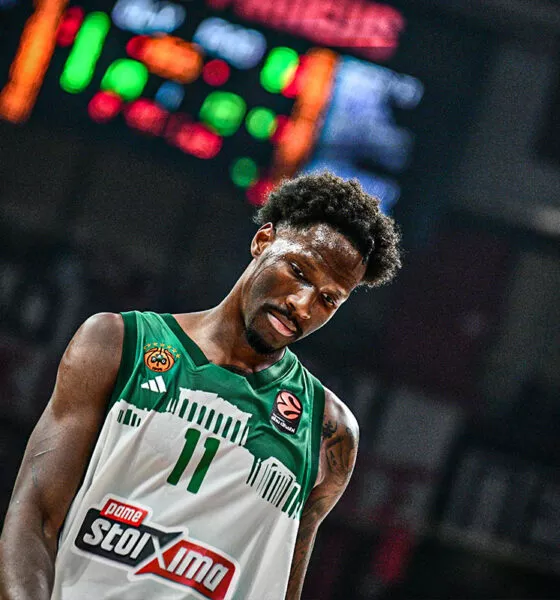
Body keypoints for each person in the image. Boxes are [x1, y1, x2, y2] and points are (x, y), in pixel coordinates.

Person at [0, 171, 402, 600]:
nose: (302, 306)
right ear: (263, 241)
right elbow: (34, 518)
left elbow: (283, 585)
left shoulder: (329, 431)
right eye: (299, 271)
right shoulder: (118, 343)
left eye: (328, 299)